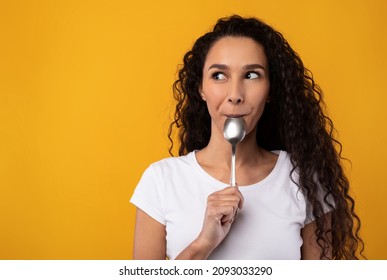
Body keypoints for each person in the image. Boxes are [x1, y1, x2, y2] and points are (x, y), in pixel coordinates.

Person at [130, 15, 364, 260]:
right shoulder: (161, 181)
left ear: (271, 89)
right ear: (200, 87)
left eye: (251, 75)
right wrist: (203, 243)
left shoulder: (303, 179)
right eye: (219, 75)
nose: (235, 95)